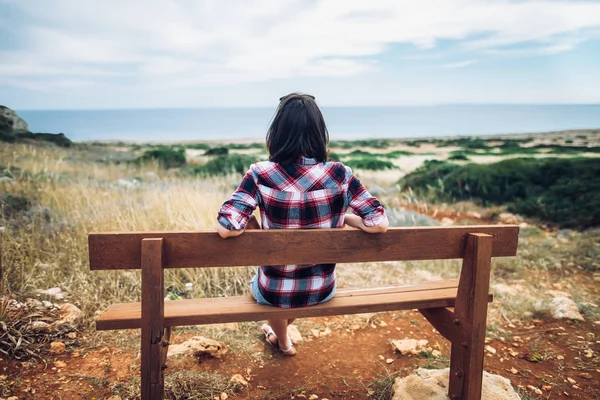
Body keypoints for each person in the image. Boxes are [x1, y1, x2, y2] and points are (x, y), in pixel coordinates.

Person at [216, 92, 389, 356]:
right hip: (320, 289)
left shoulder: (260, 174)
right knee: (292, 291)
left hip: (273, 291)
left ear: (277, 133)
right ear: (320, 133)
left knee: (268, 289)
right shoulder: (340, 174)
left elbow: (226, 228)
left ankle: (282, 340)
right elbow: (379, 225)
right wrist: (346, 219)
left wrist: (249, 222)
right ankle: (279, 337)